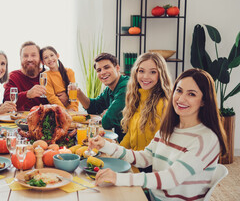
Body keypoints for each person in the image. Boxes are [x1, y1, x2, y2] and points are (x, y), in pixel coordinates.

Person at [89, 68, 227, 200]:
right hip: (153, 197)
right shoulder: (168, 129)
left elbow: (171, 178)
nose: (181, 99)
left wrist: (118, 178)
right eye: (179, 90)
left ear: (204, 101)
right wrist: (107, 146)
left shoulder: (206, 139)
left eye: (191, 94)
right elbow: (145, 158)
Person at [119, 52, 172, 172]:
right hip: (134, 160)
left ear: (161, 75)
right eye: (141, 71)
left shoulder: (164, 104)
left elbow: (163, 146)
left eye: (152, 72)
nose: (145, 77)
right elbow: (131, 134)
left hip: (151, 167)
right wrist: (118, 151)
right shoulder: (135, 97)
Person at [76, 53, 129, 142]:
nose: (103, 72)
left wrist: (104, 115)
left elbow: (108, 120)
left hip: (132, 145)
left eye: (107, 67)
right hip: (120, 140)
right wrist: (79, 94)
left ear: (117, 68)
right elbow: (94, 107)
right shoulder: (109, 89)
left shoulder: (126, 86)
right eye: (99, 70)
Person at [3, 41, 48, 111]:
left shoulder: (48, 75)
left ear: (40, 58)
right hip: (20, 120)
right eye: (25, 56)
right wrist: (27, 94)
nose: (29, 59)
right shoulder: (13, 76)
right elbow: (7, 101)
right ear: (20, 59)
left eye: (33, 55)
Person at [40, 46, 78, 111]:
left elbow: (74, 93)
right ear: (43, 62)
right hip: (57, 110)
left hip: (72, 110)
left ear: (57, 56)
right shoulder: (44, 76)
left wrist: (73, 109)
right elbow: (51, 98)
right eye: (46, 57)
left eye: (52, 55)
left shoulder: (69, 72)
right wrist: (64, 111)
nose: (49, 59)